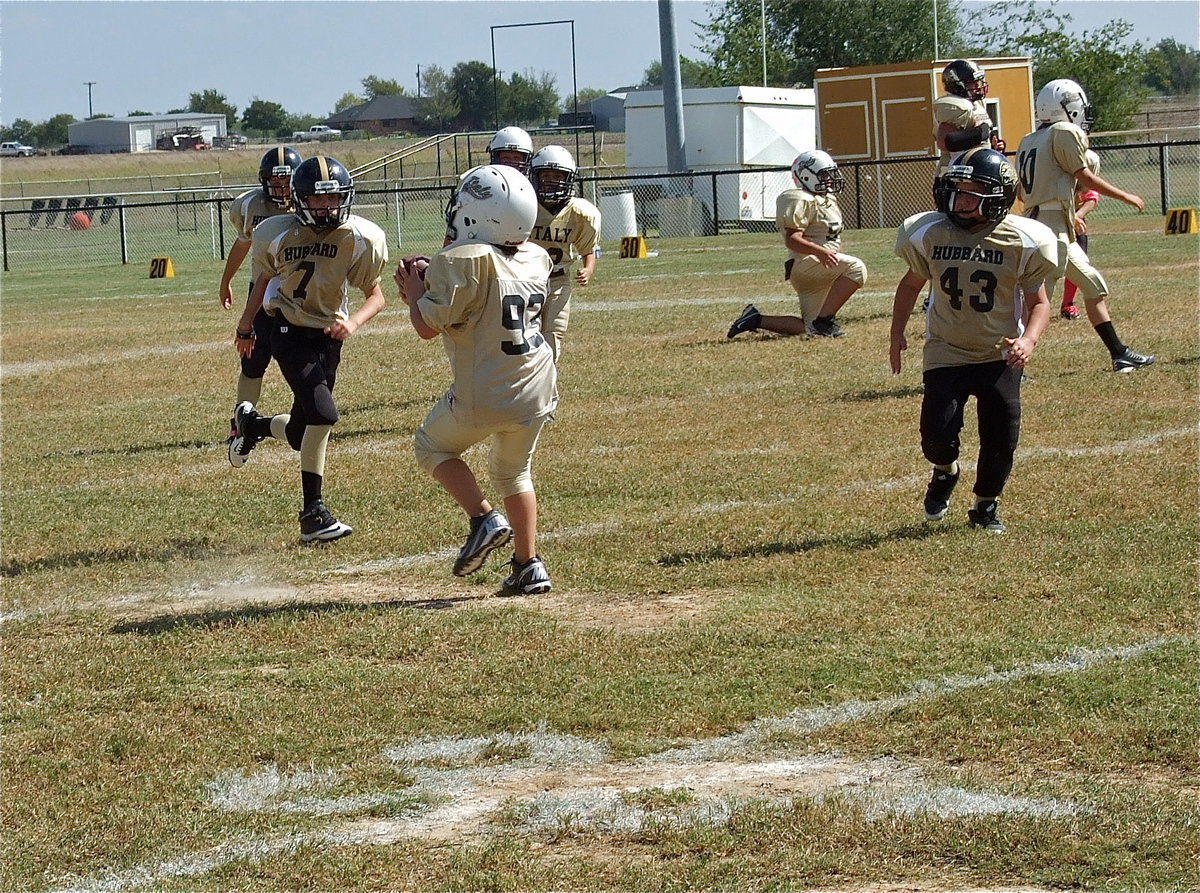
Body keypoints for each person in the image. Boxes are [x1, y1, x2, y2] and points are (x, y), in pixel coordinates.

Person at [395, 164, 557, 595]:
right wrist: (433, 275)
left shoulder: (462, 260)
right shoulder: (536, 256)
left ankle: (483, 517)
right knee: (515, 473)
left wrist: (414, 294)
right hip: (537, 385)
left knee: (431, 446)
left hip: (487, 387)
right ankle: (529, 564)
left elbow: (428, 325)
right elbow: (487, 282)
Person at [889, 148, 1057, 534]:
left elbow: (1040, 302)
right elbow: (911, 284)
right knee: (936, 437)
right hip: (945, 351)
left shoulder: (1022, 239)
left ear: (998, 196)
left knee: (1001, 437)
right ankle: (945, 472)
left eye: (971, 192)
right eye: (957, 190)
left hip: (999, 354)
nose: (959, 200)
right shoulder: (930, 232)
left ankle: (985, 506)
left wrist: (1028, 341)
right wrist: (896, 332)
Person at [228, 156, 388, 543]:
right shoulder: (276, 232)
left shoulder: (360, 236)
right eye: (316, 201)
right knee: (323, 413)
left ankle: (253, 426)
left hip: (328, 336)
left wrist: (352, 322)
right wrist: (246, 325)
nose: (325, 208)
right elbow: (263, 278)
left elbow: (376, 296)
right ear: (300, 201)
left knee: (302, 434)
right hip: (288, 329)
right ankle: (313, 513)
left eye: (332, 200)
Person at [1016, 78, 1154, 373]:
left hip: (1048, 224)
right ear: (1068, 107)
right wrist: (1125, 195)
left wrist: (1068, 208)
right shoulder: (1063, 131)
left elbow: (1023, 190)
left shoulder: (1030, 139)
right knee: (1037, 302)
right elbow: (1085, 177)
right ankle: (1011, 368)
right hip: (1049, 231)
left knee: (1093, 286)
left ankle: (1119, 353)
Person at [727, 149, 867, 339]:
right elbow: (792, 239)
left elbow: (830, 237)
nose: (829, 179)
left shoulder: (826, 199)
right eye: (824, 174)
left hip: (819, 266)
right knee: (857, 269)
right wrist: (821, 253)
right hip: (807, 264)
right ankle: (825, 321)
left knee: (810, 329)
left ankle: (756, 319)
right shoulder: (797, 198)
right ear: (806, 176)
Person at [218, 146, 302, 443]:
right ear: (264, 180)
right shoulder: (251, 205)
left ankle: (306, 416)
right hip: (262, 290)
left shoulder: (309, 200)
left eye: (286, 180)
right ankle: (240, 420)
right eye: (275, 181)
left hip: (299, 292)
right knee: (252, 361)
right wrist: (226, 279)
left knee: (302, 359)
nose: (281, 187)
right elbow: (243, 244)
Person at [528, 144, 601, 362]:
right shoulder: (525, 205)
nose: (551, 180)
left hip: (558, 280)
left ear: (568, 178)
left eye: (557, 175)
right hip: (525, 279)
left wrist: (588, 269)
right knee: (523, 334)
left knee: (553, 334)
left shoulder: (580, 212)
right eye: (546, 175)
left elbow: (588, 249)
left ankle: (546, 382)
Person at [1058, 149, 1101, 320]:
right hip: (1050, 221)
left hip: (1074, 224)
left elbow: (1092, 196)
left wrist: (1078, 215)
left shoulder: (1087, 162)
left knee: (1079, 262)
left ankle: (1068, 304)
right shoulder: (1056, 168)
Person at [933, 60, 994, 174]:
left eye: (978, 81)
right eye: (972, 82)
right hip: (955, 173)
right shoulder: (954, 105)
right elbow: (945, 142)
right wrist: (982, 133)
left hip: (976, 169)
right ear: (957, 85)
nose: (977, 85)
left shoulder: (977, 103)